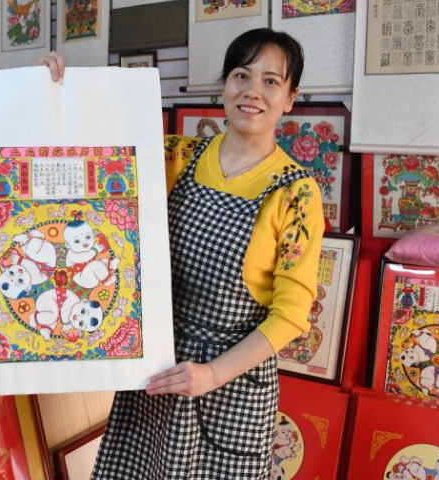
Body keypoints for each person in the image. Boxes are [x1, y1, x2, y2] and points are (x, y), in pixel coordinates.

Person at [42, 28, 324, 479]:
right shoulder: (176, 156)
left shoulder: (296, 194)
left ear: (290, 98)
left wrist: (211, 374)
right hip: (157, 369)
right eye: (241, 75)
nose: (253, 91)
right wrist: (58, 91)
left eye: (271, 81)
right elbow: (93, 159)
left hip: (231, 389)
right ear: (224, 85)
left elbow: (290, 316)